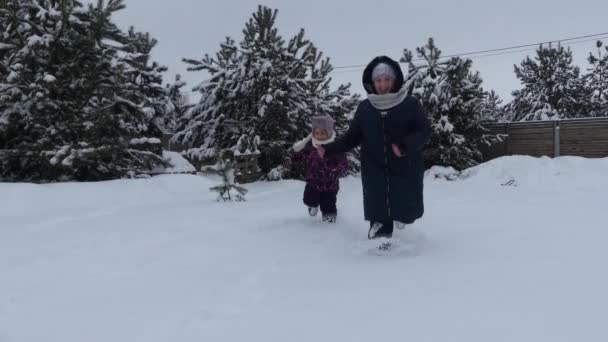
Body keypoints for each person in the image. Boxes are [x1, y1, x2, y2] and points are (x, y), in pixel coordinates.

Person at [316, 56, 431, 239]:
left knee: (405, 204)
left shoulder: (409, 104)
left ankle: (401, 218)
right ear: (372, 82)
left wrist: (404, 146)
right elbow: (352, 137)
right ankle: (380, 238)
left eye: (387, 79)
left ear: (394, 81)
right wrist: (328, 149)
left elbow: (424, 131)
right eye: (378, 80)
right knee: (378, 205)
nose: (382, 84)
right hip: (374, 167)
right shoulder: (365, 108)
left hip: (405, 165)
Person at [290, 115, 349, 223]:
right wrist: (291, 159)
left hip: (330, 184)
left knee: (329, 204)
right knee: (309, 198)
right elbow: (302, 154)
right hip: (313, 180)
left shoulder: (335, 146)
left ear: (329, 133)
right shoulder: (311, 144)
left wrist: (333, 165)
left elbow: (344, 165)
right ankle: (312, 205)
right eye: (316, 133)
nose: (319, 136)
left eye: (322, 133)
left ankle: (329, 221)